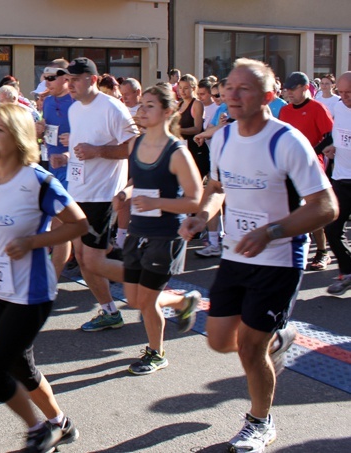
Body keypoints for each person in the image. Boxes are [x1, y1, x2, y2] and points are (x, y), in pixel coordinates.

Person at [179, 58, 337, 453]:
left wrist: (272, 231)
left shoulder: (287, 141)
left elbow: (326, 206)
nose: (231, 94)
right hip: (235, 254)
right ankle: (278, 339)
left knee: (250, 348)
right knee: (218, 341)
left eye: (243, 88)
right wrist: (201, 216)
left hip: (279, 257)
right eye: (229, 87)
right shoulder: (225, 137)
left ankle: (259, 422)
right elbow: (216, 186)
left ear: (268, 96)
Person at [0, 103, 87, 453]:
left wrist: (33, 242)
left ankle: (38, 430)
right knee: (21, 366)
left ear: (19, 136)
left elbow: (79, 223)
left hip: (33, 289)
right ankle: (60, 424)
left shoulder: (38, 181)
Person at [114, 84, 203, 375]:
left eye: (150, 105)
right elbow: (135, 183)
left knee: (148, 301)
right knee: (133, 298)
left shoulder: (177, 152)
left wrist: (157, 202)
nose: (142, 109)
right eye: (141, 104)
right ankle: (182, 301)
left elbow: (194, 198)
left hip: (166, 234)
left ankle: (156, 353)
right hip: (138, 230)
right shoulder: (134, 145)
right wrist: (125, 194)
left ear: (168, 112)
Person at [61, 57, 137, 332]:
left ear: (92, 80)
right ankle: (109, 311)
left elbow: (134, 147)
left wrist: (99, 151)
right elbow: (84, 147)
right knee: (83, 259)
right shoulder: (74, 108)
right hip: (78, 189)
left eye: (75, 79)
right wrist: (69, 156)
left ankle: (151, 288)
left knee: (91, 259)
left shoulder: (112, 108)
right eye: (67, 79)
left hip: (103, 193)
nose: (69, 84)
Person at [279, 71, 334, 271]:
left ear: (304, 88)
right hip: (288, 166)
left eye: (292, 90)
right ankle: (289, 247)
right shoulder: (285, 111)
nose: (289, 93)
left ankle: (322, 251)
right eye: (287, 90)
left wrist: (311, 153)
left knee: (314, 210)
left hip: (311, 165)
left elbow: (329, 136)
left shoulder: (318, 108)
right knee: (290, 208)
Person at [36, 60, 75, 278]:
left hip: (75, 170)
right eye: (45, 78)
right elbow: (44, 135)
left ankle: (54, 276)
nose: (46, 82)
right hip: (52, 168)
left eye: (51, 78)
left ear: (65, 78)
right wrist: (39, 131)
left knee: (61, 225)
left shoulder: (77, 101)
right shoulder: (47, 102)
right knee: (50, 222)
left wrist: (71, 146)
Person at [323, 72, 351, 295]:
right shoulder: (339, 108)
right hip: (341, 178)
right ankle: (348, 270)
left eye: (348, 93)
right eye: (341, 93)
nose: (344, 97)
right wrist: (332, 147)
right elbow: (339, 135)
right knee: (332, 228)